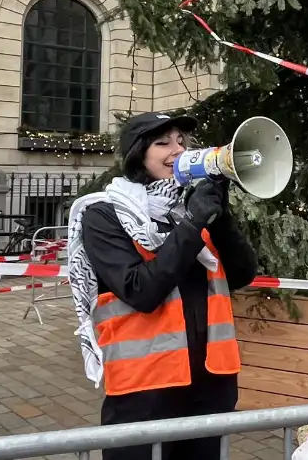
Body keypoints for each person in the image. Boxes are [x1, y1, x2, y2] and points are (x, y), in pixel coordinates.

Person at [67, 112, 258, 460]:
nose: (177, 149)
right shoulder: (105, 215)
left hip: (210, 381)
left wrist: (221, 218)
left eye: (181, 141)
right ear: (138, 153)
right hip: (145, 388)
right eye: (163, 142)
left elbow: (243, 273)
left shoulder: (187, 208)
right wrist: (195, 222)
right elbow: (142, 291)